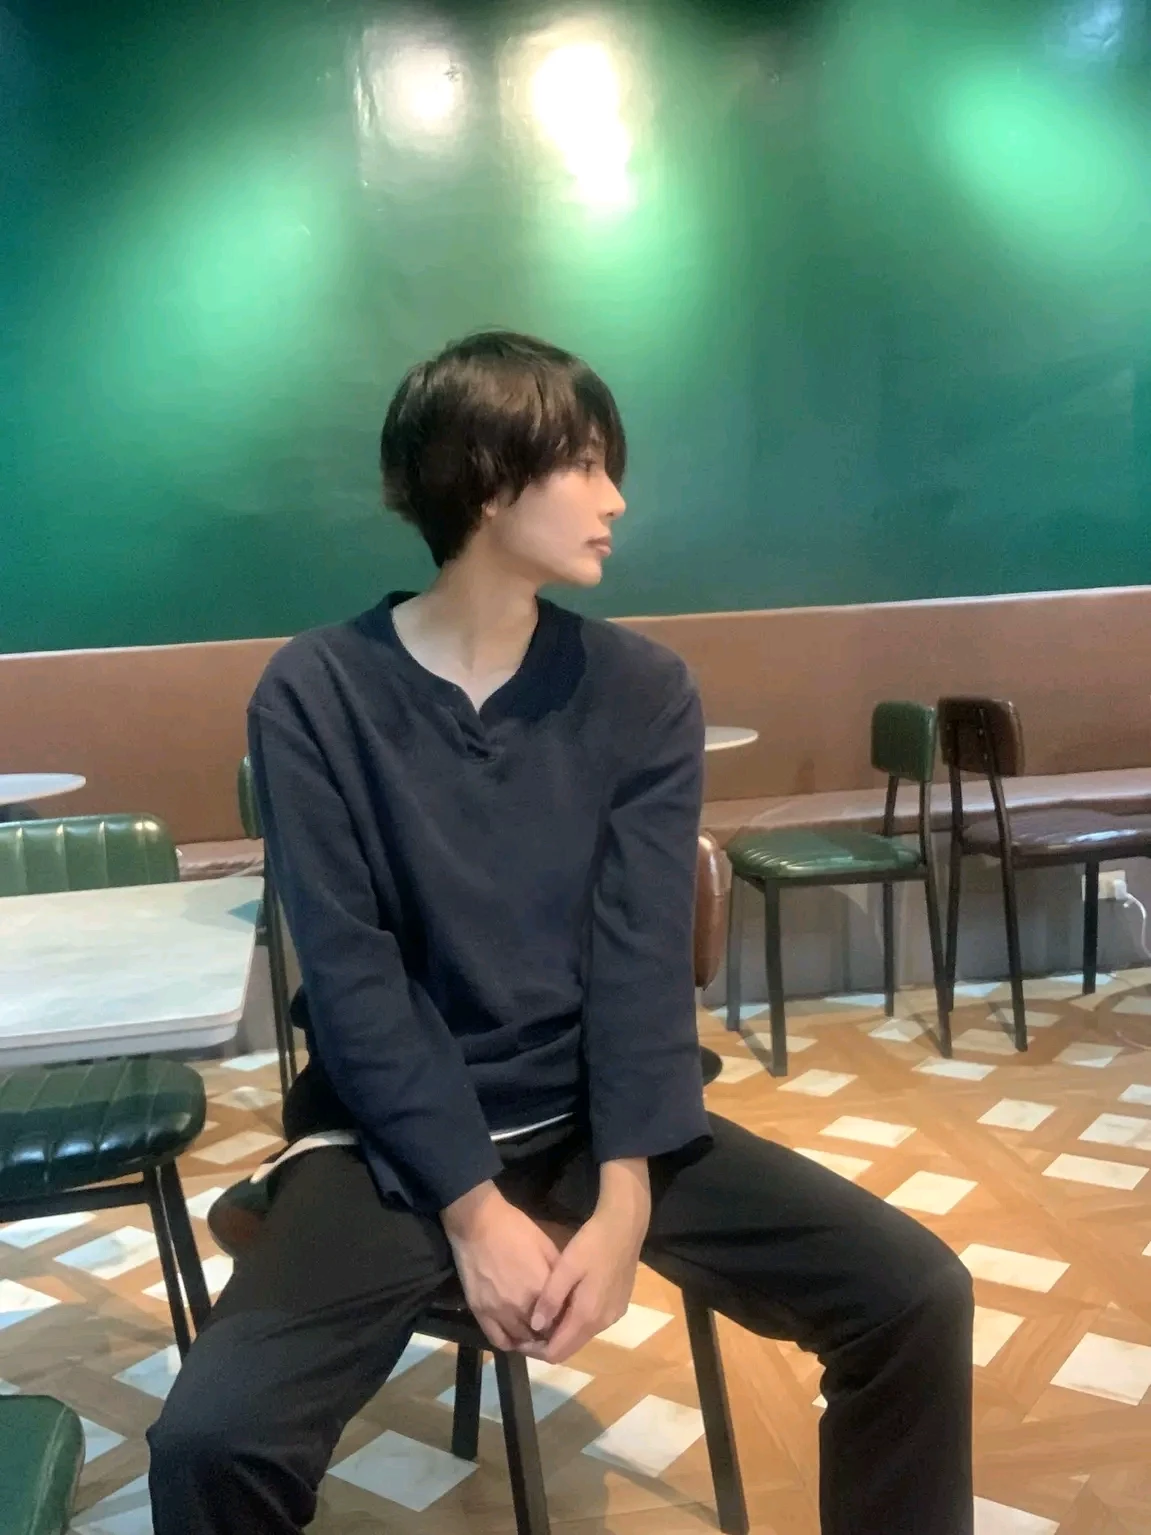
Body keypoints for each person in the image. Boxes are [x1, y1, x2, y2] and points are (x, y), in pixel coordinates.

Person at [147, 331, 973, 1535]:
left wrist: (625, 1198)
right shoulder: (315, 692)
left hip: (601, 1118)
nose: (614, 497)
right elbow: (354, 978)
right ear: (486, 477)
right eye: (584, 464)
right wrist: (473, 1208)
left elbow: (639, 962)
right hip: (391, 1141)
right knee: (212, 1439)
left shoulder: (640, 690)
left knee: (913, 1294)